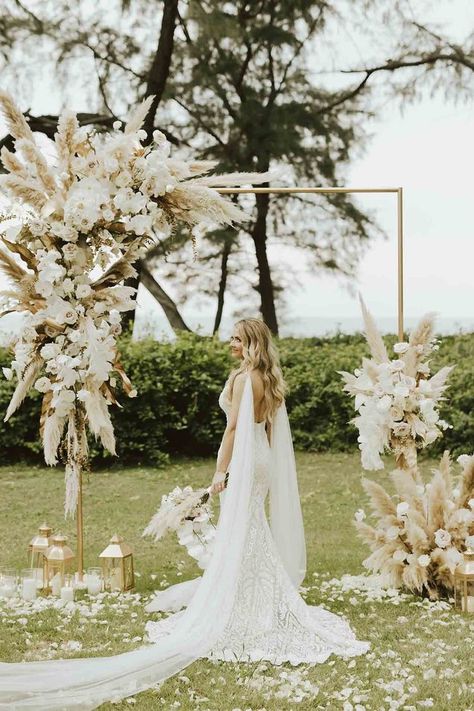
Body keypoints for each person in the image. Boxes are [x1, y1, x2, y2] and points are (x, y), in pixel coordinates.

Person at [0, 318, 369, 710]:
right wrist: (266, 467)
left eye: (237, 340)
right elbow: (271, 429)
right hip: (260, 457)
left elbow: (231, 430)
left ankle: (247, 602)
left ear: (251, 344)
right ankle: (253, 593)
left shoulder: (245, 380)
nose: (231, 344)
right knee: (249, 527)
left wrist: (219, 472)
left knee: (241, 528)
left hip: (244, 458)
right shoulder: (269, 379)